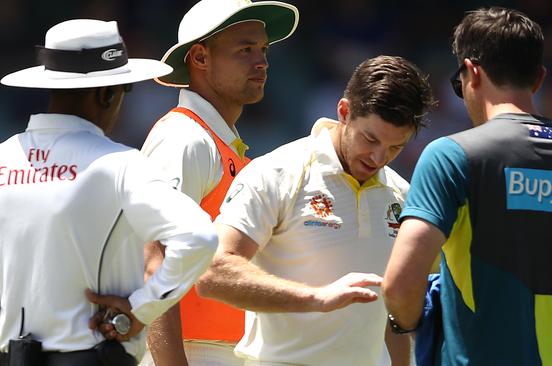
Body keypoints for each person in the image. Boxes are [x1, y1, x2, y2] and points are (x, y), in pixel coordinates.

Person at [382, 6, 552, 365]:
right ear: (538, 79)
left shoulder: (451, 156)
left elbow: (400, 285)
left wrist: (408, 329)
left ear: (471, 73)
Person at [0, 19, 218, 366]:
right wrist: (142, 309)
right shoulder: (121, 164)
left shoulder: (4, 155)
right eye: (123, 91)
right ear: (106, 93)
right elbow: (200, 237)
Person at [195, 55, 434, 366]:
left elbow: (394, 312)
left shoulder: (402, 194)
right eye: (370, 138)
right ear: (344, 112)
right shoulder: (277, 172)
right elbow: (213, 273)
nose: (378, 157)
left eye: (395, 147)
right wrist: (317, 298)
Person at [139, 0, 299, 365]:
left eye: (263, 49)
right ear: (199, 58)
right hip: (191, 352)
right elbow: (152, 258)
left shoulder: (216, 140)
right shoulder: (185, 137)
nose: (262, 62)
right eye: (245, 50)